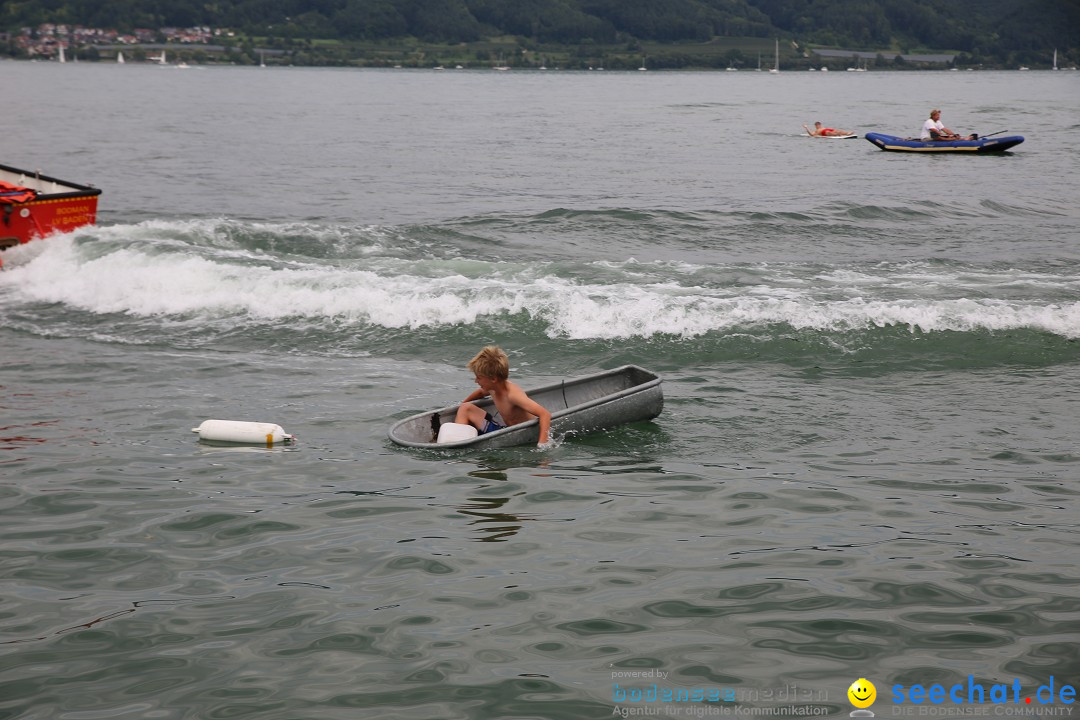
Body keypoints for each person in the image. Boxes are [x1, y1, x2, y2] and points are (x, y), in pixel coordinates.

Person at [455, 345, 552, 447]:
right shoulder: (493, 388)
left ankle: (463, 445)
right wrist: (463, 403)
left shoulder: (513, 395)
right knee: (465, 407)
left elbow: (545, 414)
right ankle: (458, 441)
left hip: (519, 436)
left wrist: (542, 444)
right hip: (503, 431)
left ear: (493, 379)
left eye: (479, 378)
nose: (476, 381)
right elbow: (480, 393)